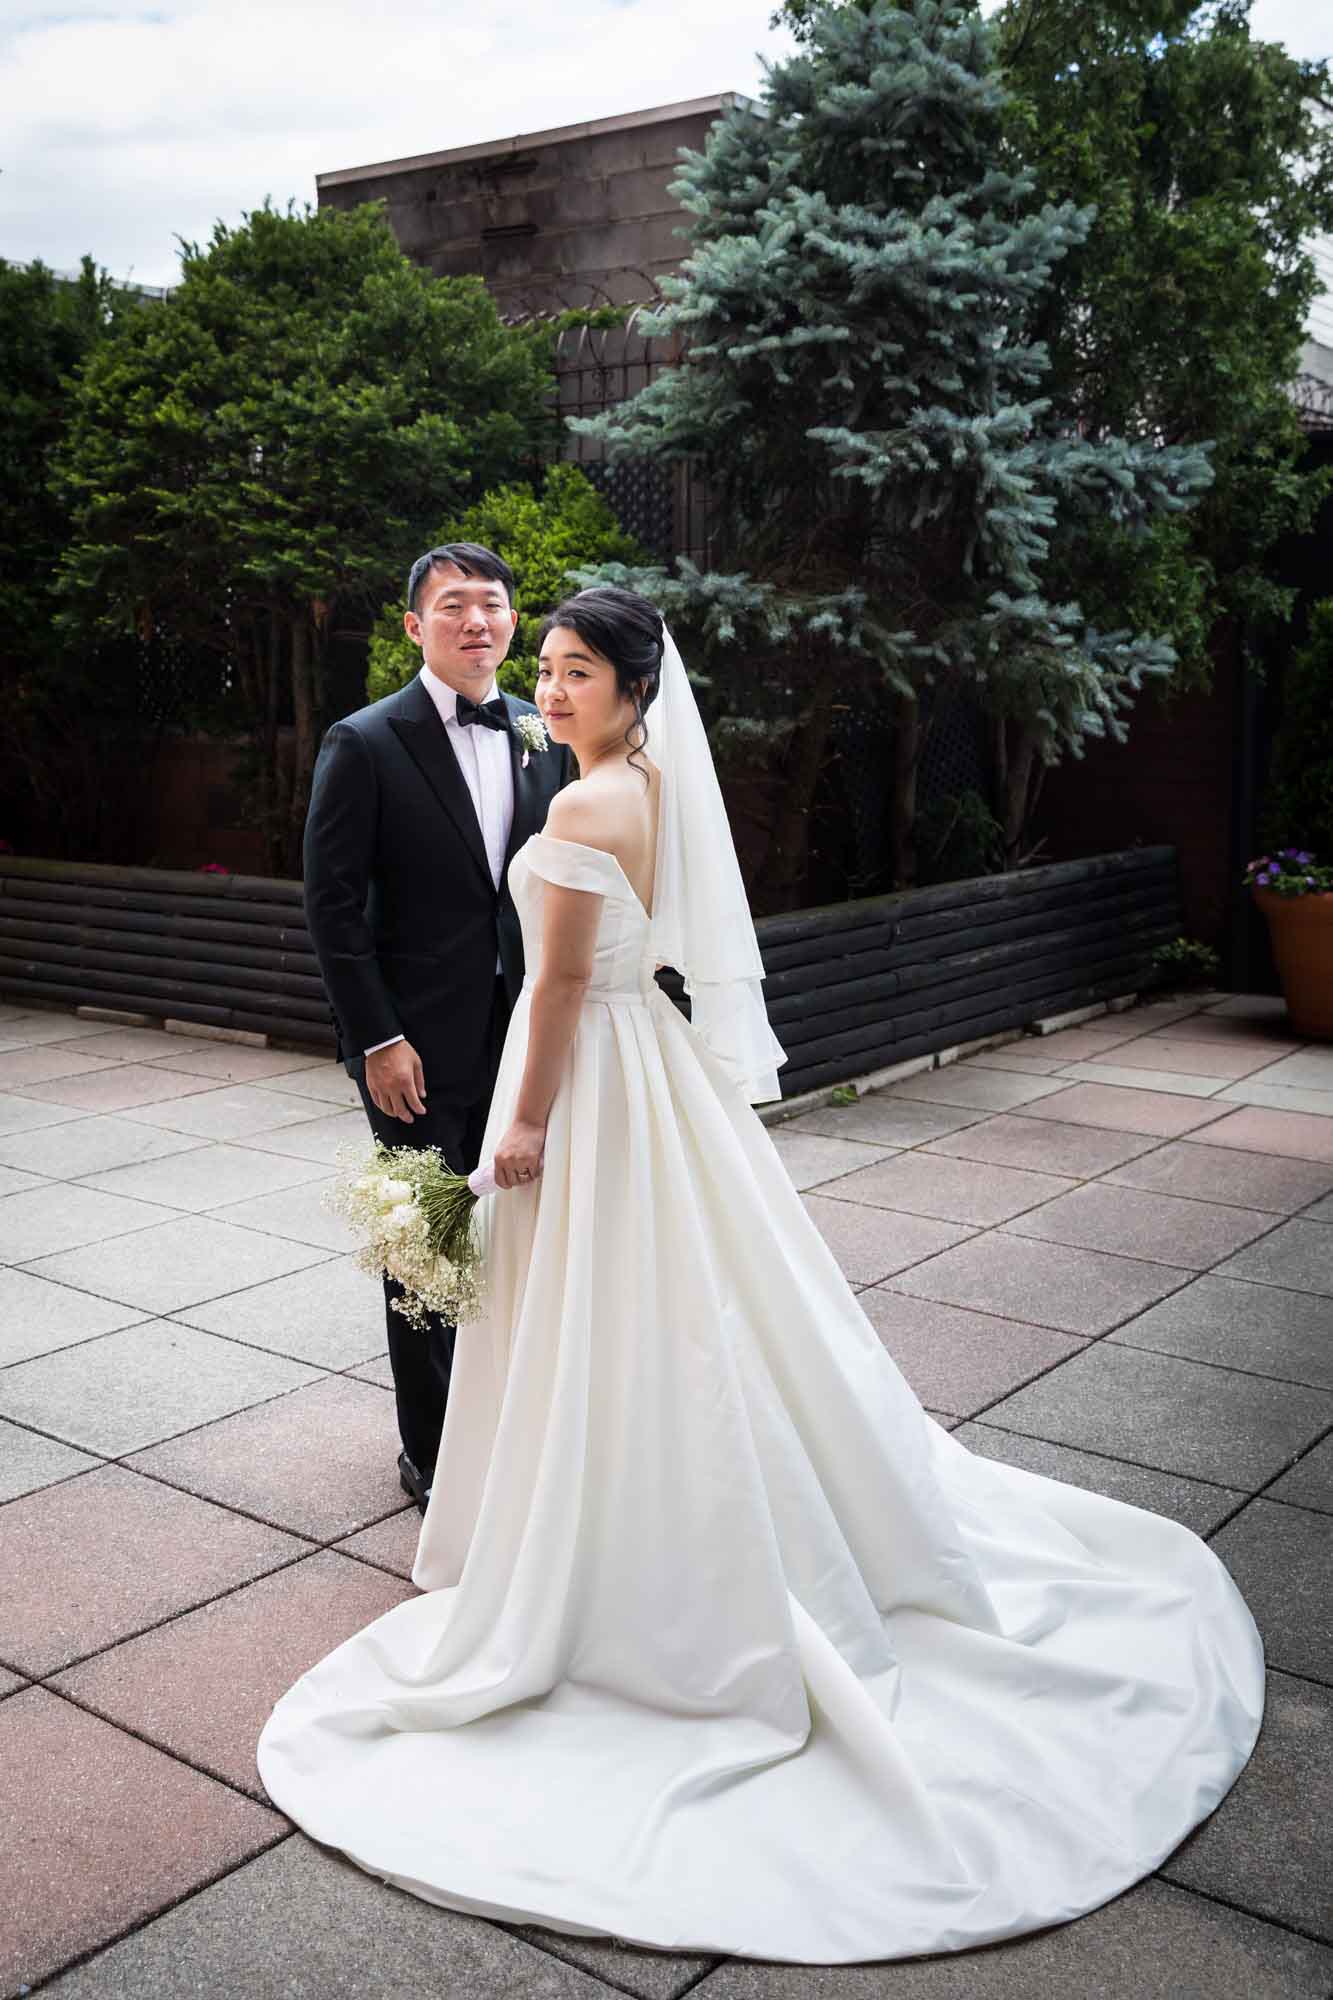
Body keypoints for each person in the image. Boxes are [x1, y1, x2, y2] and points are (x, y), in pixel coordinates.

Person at [261, 587, 1263, 1965]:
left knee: (610, 1315)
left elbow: (552, 993)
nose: (551, 691)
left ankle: (611, 1548)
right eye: (543, 669)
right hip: (657, 1080)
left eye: (575, 673)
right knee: (693, 1310)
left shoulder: (579, 809)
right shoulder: (651, 784)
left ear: (631, 686)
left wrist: (529, 1125)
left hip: (589, 1086)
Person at [301, 543, 572, 1515]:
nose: (475, 621)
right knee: (425, 1244)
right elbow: (331, 905)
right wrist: (375, 1037)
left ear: (510, 621)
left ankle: (509, 1425)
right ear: (414, 625)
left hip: (526, 1041)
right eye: (452, 605)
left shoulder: (544, 732)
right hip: (412, 1048)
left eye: (491, 605)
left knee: (522, 1239)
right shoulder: (365, 741)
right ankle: (432, 1452)